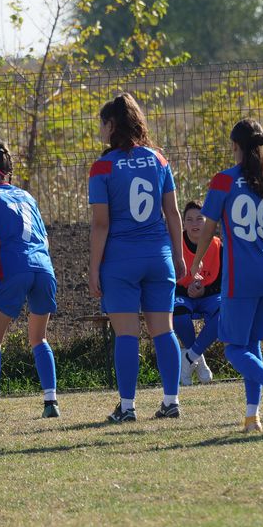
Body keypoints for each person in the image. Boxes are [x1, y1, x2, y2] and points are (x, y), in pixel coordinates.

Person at [190, 119, 263, 433]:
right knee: (252, 347)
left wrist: (196, 263)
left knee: (233, 349)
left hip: (239, 277)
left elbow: (209, 226)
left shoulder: (224, 181)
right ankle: (251, 417)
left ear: (237, 147)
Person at [87, 93, 187, 422]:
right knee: (164, 330)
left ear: (112, 125)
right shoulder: (158, 159)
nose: (100, 131)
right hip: (158, 256)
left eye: (102, 125)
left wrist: (94, 268)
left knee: (127, 334)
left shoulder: (102, 167)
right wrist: (178, 255)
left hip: (121, 260)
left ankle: (127, 407)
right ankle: (171, 401)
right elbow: (172, 213)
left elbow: (101, 225)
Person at [0, 142, 60, 421]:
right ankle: (51, 402)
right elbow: (44, 239)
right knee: (39, 338)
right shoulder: (28, 197)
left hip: (14, 270)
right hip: (44, 269)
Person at [174, 200, 221, 386]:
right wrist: (187, 289)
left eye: (199, 219)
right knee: (178, 316)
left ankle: (189, 358)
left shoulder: (217, 245)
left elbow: (222, 281)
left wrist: (203, 291)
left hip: (208, 295)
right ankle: (199, 361)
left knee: (225, 312)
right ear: (183, 223)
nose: (194, 224)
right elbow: (169, 279)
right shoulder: (175, 245)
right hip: (183, 295)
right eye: (189, 219)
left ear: (207, 221)